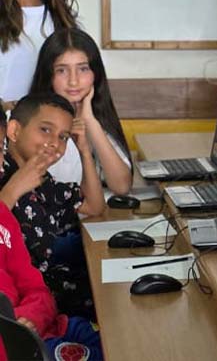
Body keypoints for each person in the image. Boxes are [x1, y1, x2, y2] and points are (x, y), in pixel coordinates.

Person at [0, 94, 105, 318]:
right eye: (45, 130)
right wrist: (13, 190)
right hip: (15, 303)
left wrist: (84, 150)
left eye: (63, 137)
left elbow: (94, 206)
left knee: (107, 293)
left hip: (40, 290)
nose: (55, 143)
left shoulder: (43, 181)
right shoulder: (3, 170)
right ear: (14, 131)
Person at [30, 28, 133, 195]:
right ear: (48, 75)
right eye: (62, 70)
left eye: (83, 69)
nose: (73, 80)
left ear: (95, 73)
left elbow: (122, 186)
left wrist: (89, 120)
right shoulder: (33, 123)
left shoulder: (96, 116)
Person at [0, 202, 102, 360]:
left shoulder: (3, 216)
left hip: (49, 326)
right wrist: (14, 329)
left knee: (121, 341)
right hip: (17, 349)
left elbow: (36, 287)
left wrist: (30, 318)